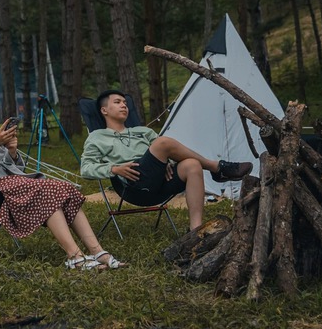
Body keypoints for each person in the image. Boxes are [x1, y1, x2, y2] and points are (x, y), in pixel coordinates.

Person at [0, 80, 126, 270]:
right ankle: (75, 256)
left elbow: (14, 167)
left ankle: (98, 252)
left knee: (63, 188)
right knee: (48, 191)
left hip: (13, 183)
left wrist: (12, 152)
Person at [80, 89, 253, 231]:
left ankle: (196, 229)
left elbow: (160, 154)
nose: (124, 105)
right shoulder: (97, 137)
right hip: (132, 186)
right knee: (162, 142)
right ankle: (217, 168)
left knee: (191, 165)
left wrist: (167, 164)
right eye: (117, 102)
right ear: (104, 110)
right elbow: (86, 168)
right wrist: (114, 169)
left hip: (160, 183)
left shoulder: (143, 131)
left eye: (125, 103)